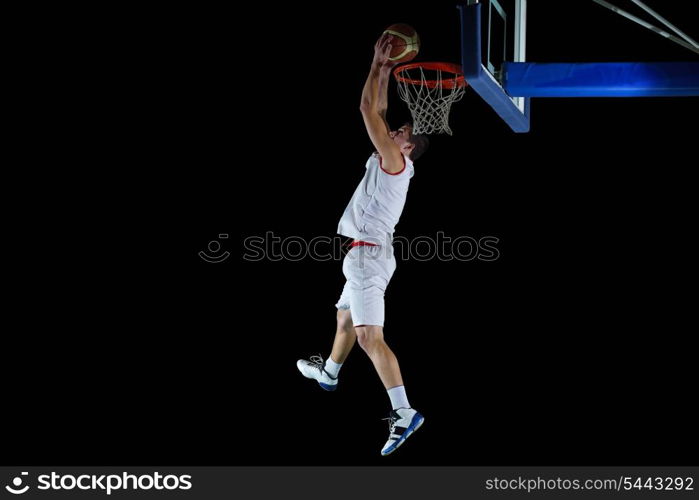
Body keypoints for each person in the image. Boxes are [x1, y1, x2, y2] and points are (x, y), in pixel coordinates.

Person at [297, 33, 429, 456]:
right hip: (365, 253)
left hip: (368, 256)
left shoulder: (396, 162)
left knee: (370, 335)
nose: (394, 130)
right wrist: (386, 73)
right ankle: (330, 373)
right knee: (342, 320)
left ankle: (405, 412)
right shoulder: (389, 158)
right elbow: (381, 107)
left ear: (407, 148)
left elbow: (366, 109)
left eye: (401, 132)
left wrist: (377, 64)